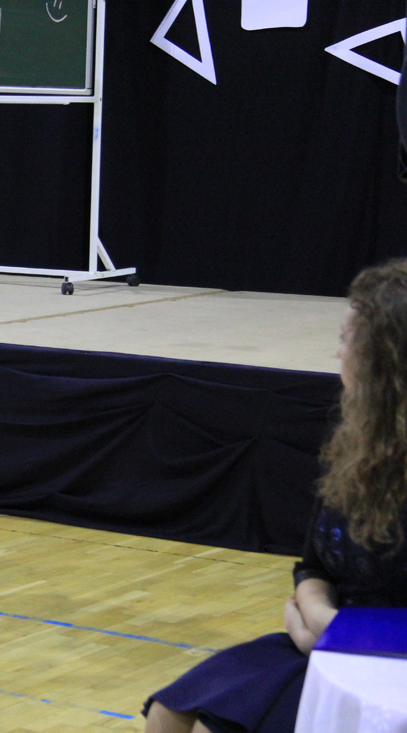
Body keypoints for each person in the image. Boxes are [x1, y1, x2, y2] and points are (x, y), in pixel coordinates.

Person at [143, 259, 407, 733]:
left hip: (383, 664)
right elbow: (313, 565)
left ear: (386, 363)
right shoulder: (361, 445)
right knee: (167, 715)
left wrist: (322, 630)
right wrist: (317, 616)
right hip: (331, 641)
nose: (338, 351)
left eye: (348, 339)